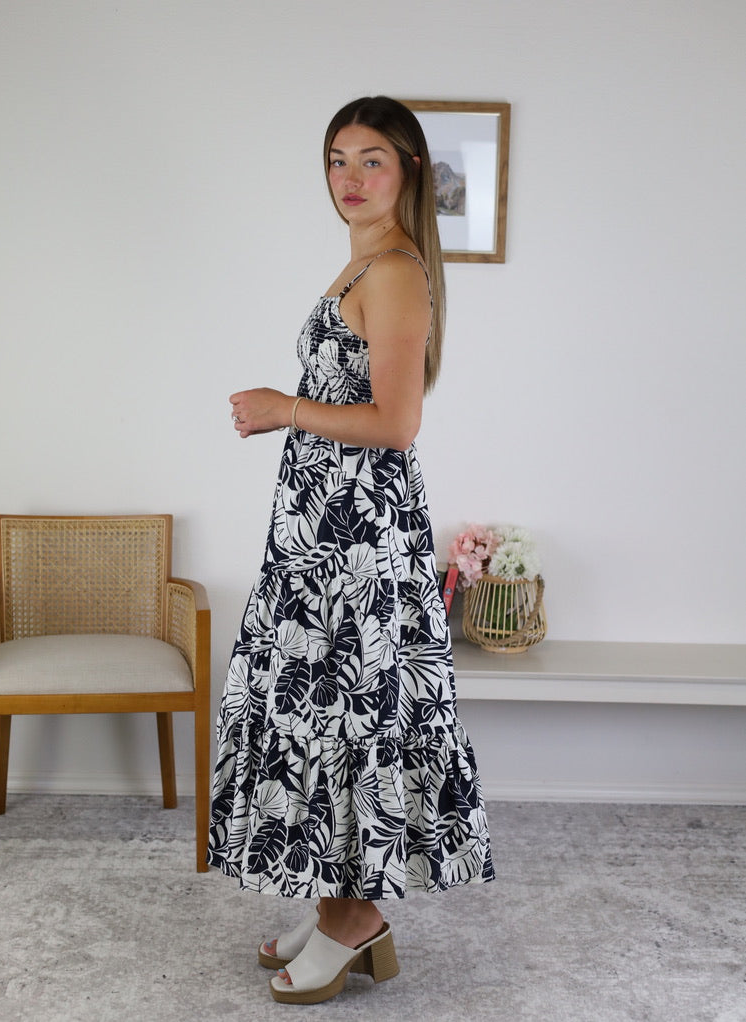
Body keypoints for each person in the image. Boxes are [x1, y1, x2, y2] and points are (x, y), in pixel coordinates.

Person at [207, 95, 494, 1005]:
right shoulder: (363, 261)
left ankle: (355, 919)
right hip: (323, 532)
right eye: (337, 159)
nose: (350, 178)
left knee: (348, 709)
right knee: (322, 711)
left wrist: (282, 407)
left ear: (409, 169)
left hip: (357, 541)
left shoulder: (397, 271)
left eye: (372, 160)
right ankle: (337, 905)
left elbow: (396, 423)